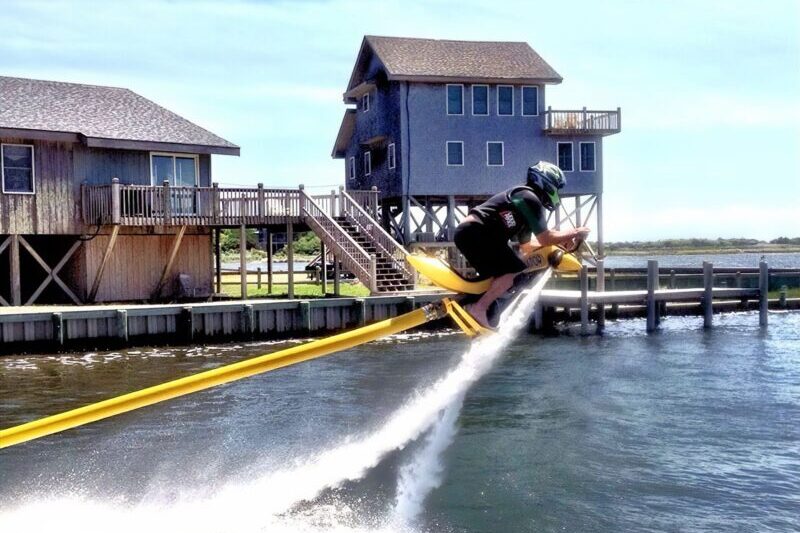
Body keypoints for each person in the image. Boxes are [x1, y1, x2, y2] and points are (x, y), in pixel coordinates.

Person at [453, 161, 590, 328]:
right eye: (557, 188)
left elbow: (527, 246)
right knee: (514, 269)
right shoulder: (528, 198)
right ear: (547, 183)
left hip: (472, 234)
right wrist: (575, 232)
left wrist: (559, 243)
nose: (557, 194)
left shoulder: (524, 209)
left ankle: (473, 305)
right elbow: (545, 238)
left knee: (502, 277)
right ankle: (478, 308)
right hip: (476, 233)